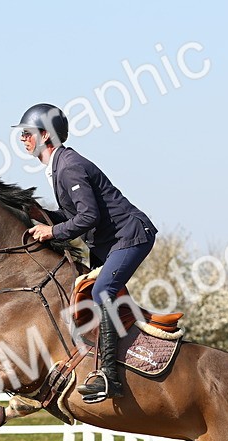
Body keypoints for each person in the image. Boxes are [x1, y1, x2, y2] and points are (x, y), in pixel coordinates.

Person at [14, 102, 157, 404]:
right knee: (82, 291)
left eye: (27, 133)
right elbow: (73, 214)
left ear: (45, 136)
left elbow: (87, 217)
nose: (23, 139)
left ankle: (110, 377)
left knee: (102, 292)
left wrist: (51, 232)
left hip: (130, 237)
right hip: (109, 242)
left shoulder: (68, 166)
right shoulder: (57, 166)